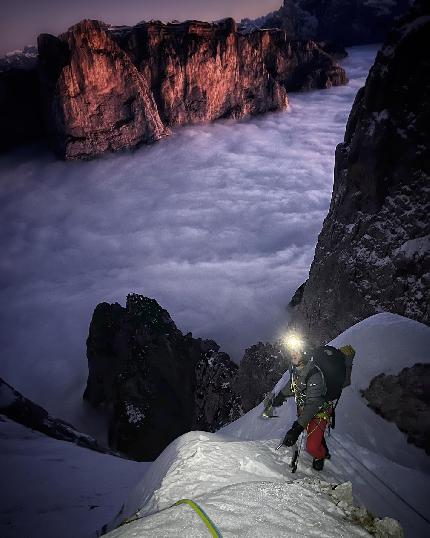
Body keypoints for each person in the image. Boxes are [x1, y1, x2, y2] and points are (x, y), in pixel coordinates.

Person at [271, 342, 342, 471]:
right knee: (310, 433)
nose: (293, 354)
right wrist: (281, 395)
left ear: (304, 353)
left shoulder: (314, 375)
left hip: (319, 412)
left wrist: (297, 429)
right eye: (292, 351)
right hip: (305, 410)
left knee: (312, 447)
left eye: (297, 351)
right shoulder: (296, 370)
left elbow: (312, 405)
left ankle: (321, 455)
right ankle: (319, 441)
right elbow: (293, 384)